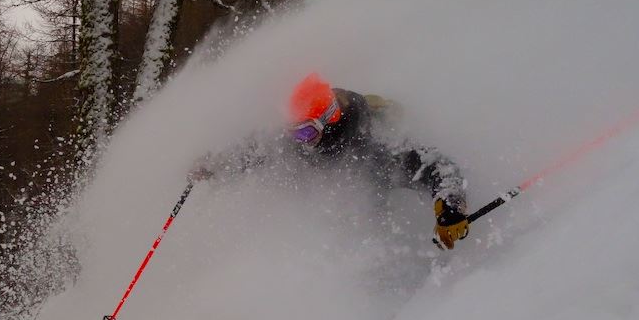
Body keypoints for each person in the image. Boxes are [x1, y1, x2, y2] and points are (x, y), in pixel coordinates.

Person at [190, 73, 470, 250]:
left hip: (372, 236)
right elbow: (258, 148)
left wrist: (451, 206)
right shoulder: (299, 144)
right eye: (294, 133)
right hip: (328, 232)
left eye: (306, 133)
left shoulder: (376, 145)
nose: (301, 141)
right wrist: (214, 165)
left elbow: (436, 166)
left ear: (329, 120)